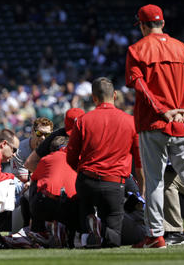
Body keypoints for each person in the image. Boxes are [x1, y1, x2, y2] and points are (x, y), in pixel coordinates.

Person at [125, 4, 184, 248]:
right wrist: (182, 110)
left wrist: (164, 112)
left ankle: (155, 235)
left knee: (154, 180)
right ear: (162, 23)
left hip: (154, 123)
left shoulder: (136, 49)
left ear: (143, 26)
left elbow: (141, 88)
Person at [66, 77, 144, 248]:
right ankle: (103, 230)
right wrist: (142, 188)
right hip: (114, 184)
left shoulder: (83, 121)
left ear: (94, 98)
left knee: (86, 217)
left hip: (86, 181)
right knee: (114, 237)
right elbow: (139, 162)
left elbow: (71, 157)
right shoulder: (130, 121)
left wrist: (82, 172)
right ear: (115, 95)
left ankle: (90, 231)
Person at [29, 135, 79, 248]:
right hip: (72, 206)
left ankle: (38, 230)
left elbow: (35, 180)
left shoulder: (46, 159)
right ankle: (70, 234)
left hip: (47, 204)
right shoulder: (77, 159)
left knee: (34, 184)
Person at [7, 117, 53, 230]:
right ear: (32, 132)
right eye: (39, 133)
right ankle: (19, 232)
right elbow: (23, 179)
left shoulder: (53, 147)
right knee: (20, 194)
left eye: (46, 135)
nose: (42, 137)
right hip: (23, 187)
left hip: (45, 185)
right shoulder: (20, 149)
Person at [24, 108, 85, 173]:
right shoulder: (55, 136)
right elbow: (30, 163)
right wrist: (51, 175)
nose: (74, 134)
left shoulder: (91, 135)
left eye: (77, 130)